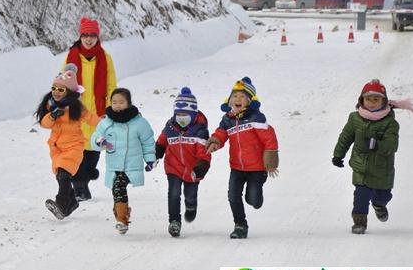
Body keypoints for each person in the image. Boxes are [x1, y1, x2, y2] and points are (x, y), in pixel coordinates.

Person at [332, 79, 413, 234]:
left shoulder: (390, 123)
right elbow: (346, 137)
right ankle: (359, 223)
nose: (371, 103)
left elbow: (392, 145)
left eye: (376, 99)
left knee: (383, 196)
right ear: (361, 100)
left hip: (382, 169)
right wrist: (338, 155)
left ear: (383, 101)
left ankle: (379, 204)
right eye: (368, 99)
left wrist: (377, 144)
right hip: (361, 167)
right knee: (360, 195)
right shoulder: (355, 118)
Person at [206, 77, 279, 239]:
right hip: (237, 167)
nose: (237, 100)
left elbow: (269, 139)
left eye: (242, 97)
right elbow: (221, 134)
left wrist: (271, 160)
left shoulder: (256, 118)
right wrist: (214, 142)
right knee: (233, 195)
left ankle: (255, 196)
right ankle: (240, 225)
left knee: (253, 200)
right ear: (230, 100)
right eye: (235, 96)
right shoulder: (227, 119)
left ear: (249, 100)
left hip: (257, 168)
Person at [34, 64, 100, 220]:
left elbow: (92, 119)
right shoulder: (51, 106)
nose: (56, 92)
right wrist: (52, 116)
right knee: (60, 177)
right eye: (54, 88)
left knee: (64, 174)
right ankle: (71, 203)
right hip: (56, 148)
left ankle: (62, 204)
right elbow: (44, 124)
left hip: (74, 146)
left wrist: (108, 124)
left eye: (61, 89)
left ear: (69, 92)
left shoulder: (76, 108)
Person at [91, 88, 156, 234]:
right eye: (114, 102)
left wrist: (150, 159)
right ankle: (122, 218)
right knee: (117, 188)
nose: (117, 105)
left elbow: (148, 141)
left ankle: (121, 219)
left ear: (128, 103)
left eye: (121, 102)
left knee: (119, 186)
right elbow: (95, 138)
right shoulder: (106, 122)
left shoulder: (139, 122)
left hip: (131, 165)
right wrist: (99, 141)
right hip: (114, 165)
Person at [65, 17, 117, 201]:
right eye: (85, 35)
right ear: (80, 36)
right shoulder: (72, 57)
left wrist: (111, 108)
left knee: (93, 150)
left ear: (97, 37)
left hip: (97, 112)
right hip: (77, 111)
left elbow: (111, 85)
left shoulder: (105, 58)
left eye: (92, 36)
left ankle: (84, 181)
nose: (89, 39)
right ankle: (79, 187)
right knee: (76, 148)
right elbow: (64, 81)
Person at [155, 87, 211, 237]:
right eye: (178, 114)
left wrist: (201, 167)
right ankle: (174, 221)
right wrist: (156, 154)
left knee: (190, 195)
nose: (181, 117)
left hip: (193, 169)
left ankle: (191, 206)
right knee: (173, 194)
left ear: (193, 114)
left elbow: (204, 153)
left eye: (185, 114)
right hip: (173, 167)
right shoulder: (170, 126)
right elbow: (161, 141)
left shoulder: (200, 130)